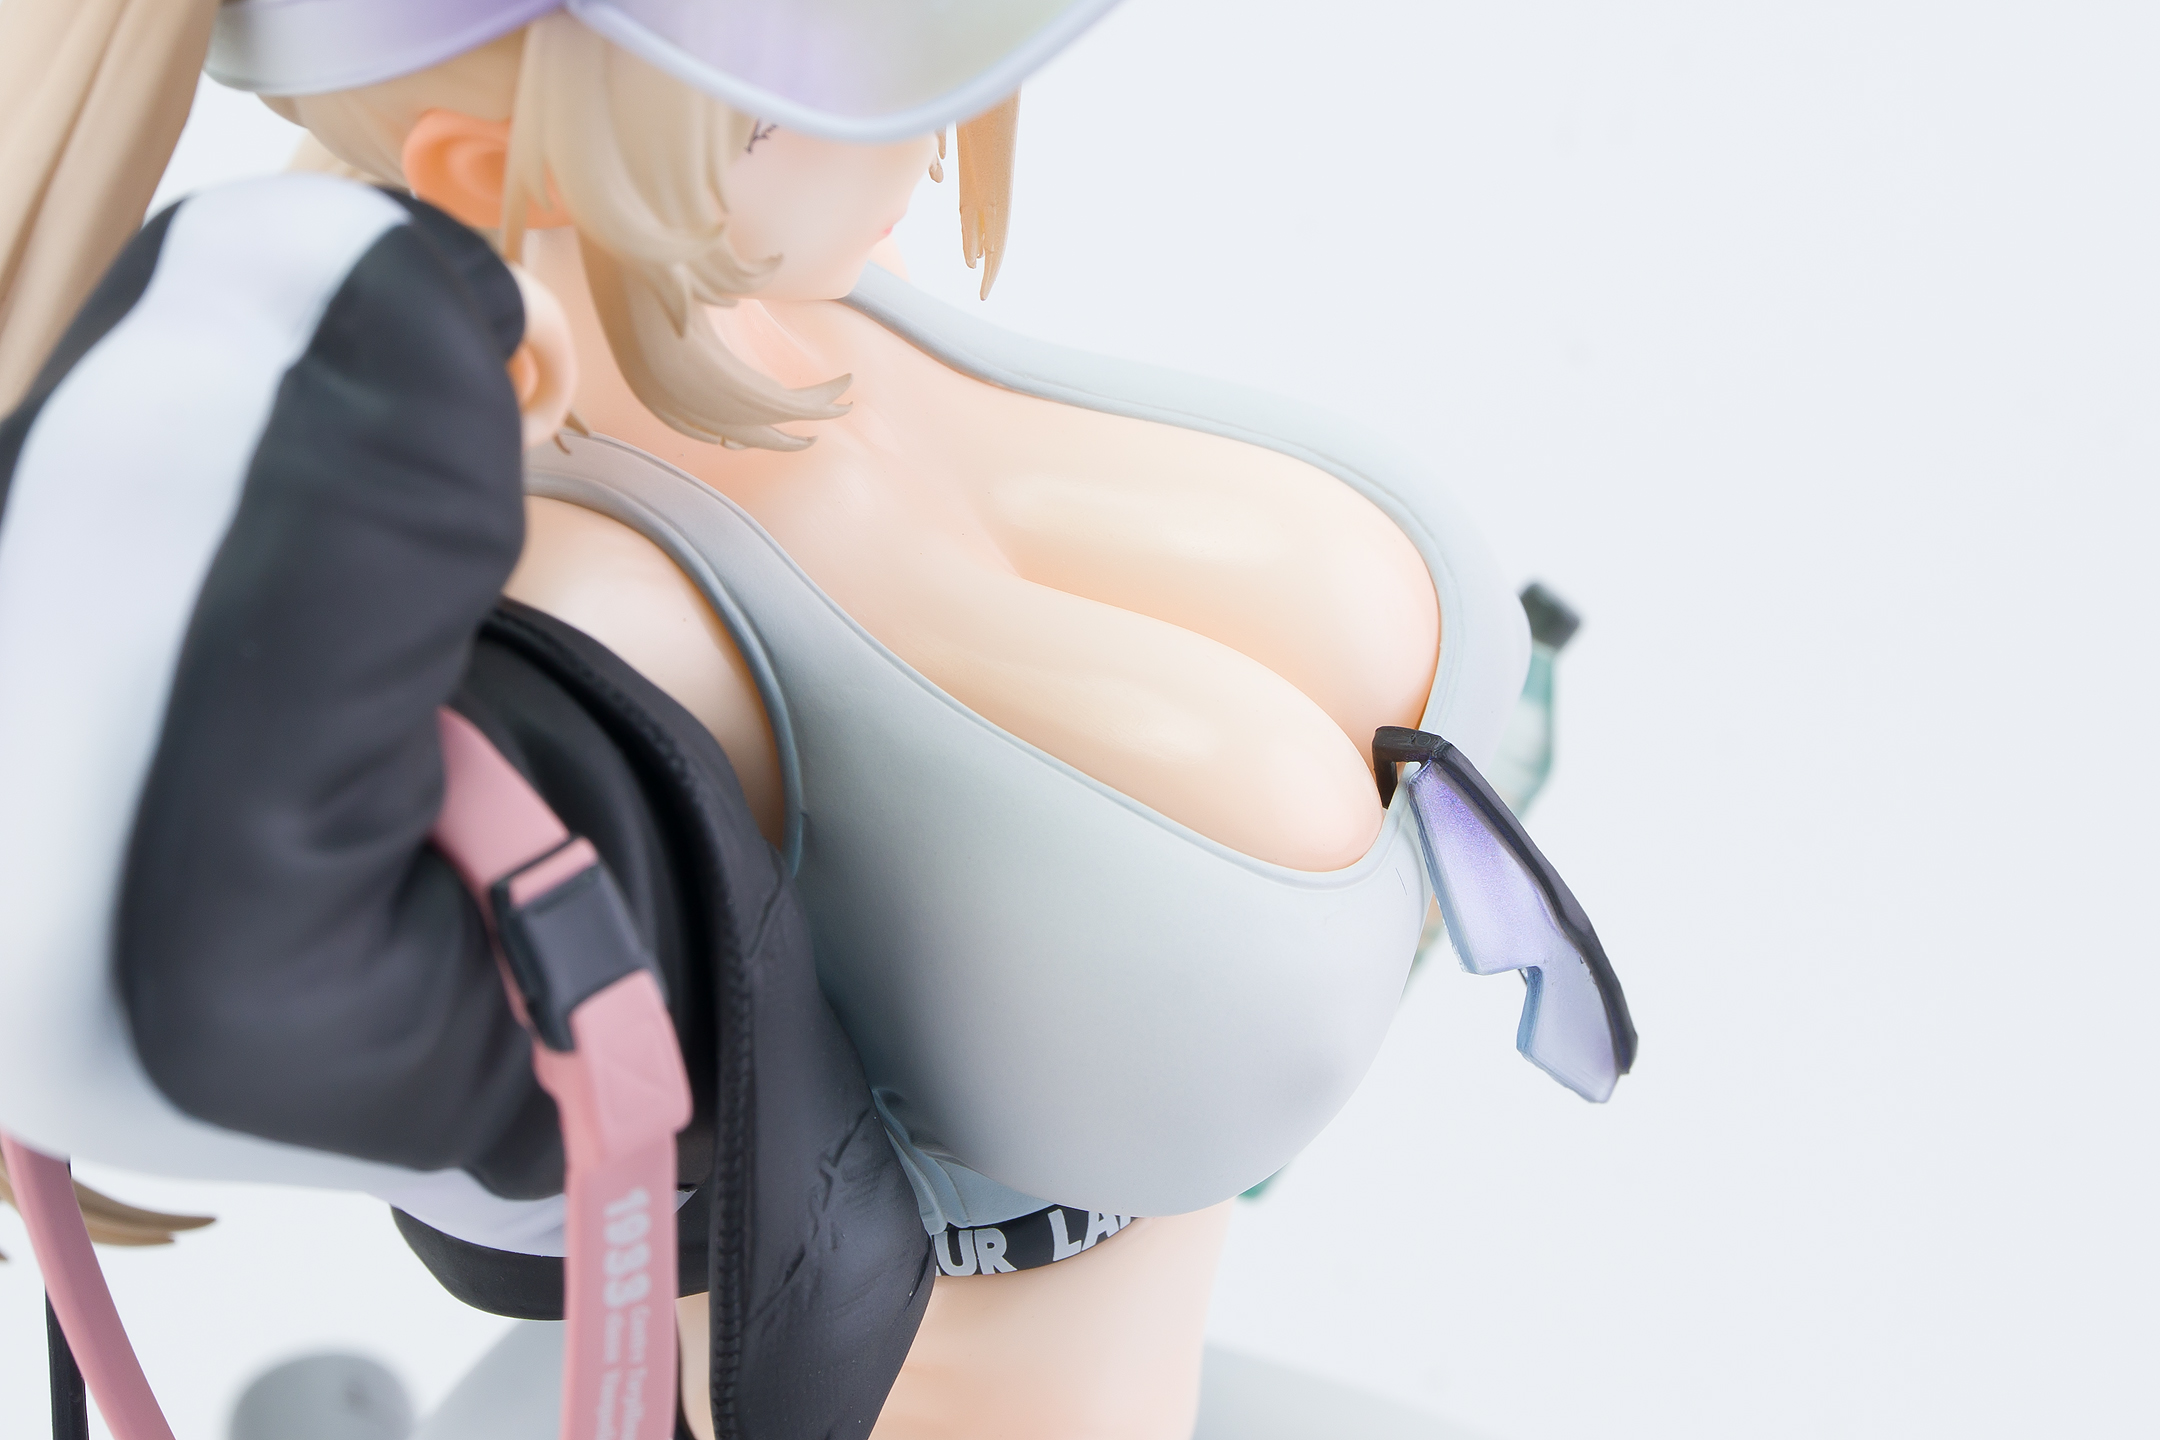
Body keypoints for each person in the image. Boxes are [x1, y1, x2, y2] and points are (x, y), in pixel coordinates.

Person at [0, 3, 1552, 1436]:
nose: (914, 134)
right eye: (765, 102)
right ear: (494, 167)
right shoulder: (589, 615)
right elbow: (177, 966)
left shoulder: (777, 291)